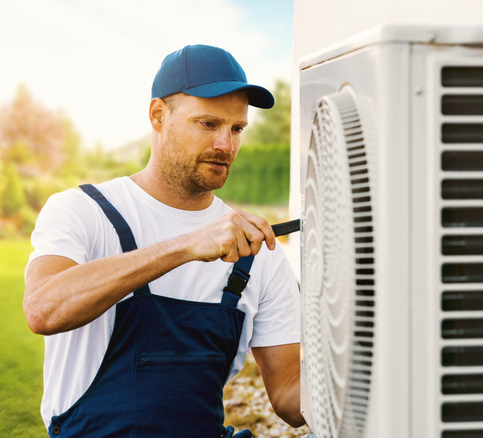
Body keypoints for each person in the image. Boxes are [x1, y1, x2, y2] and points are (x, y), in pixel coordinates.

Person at [23, 44, 304, 437]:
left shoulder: (257, 250)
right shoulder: (84, 211)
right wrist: (185, 246)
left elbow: (290, 395)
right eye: (208, 124)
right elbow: (43, 309)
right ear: (158, 115)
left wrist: (375, 376)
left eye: (236, 128)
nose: (226, 145)